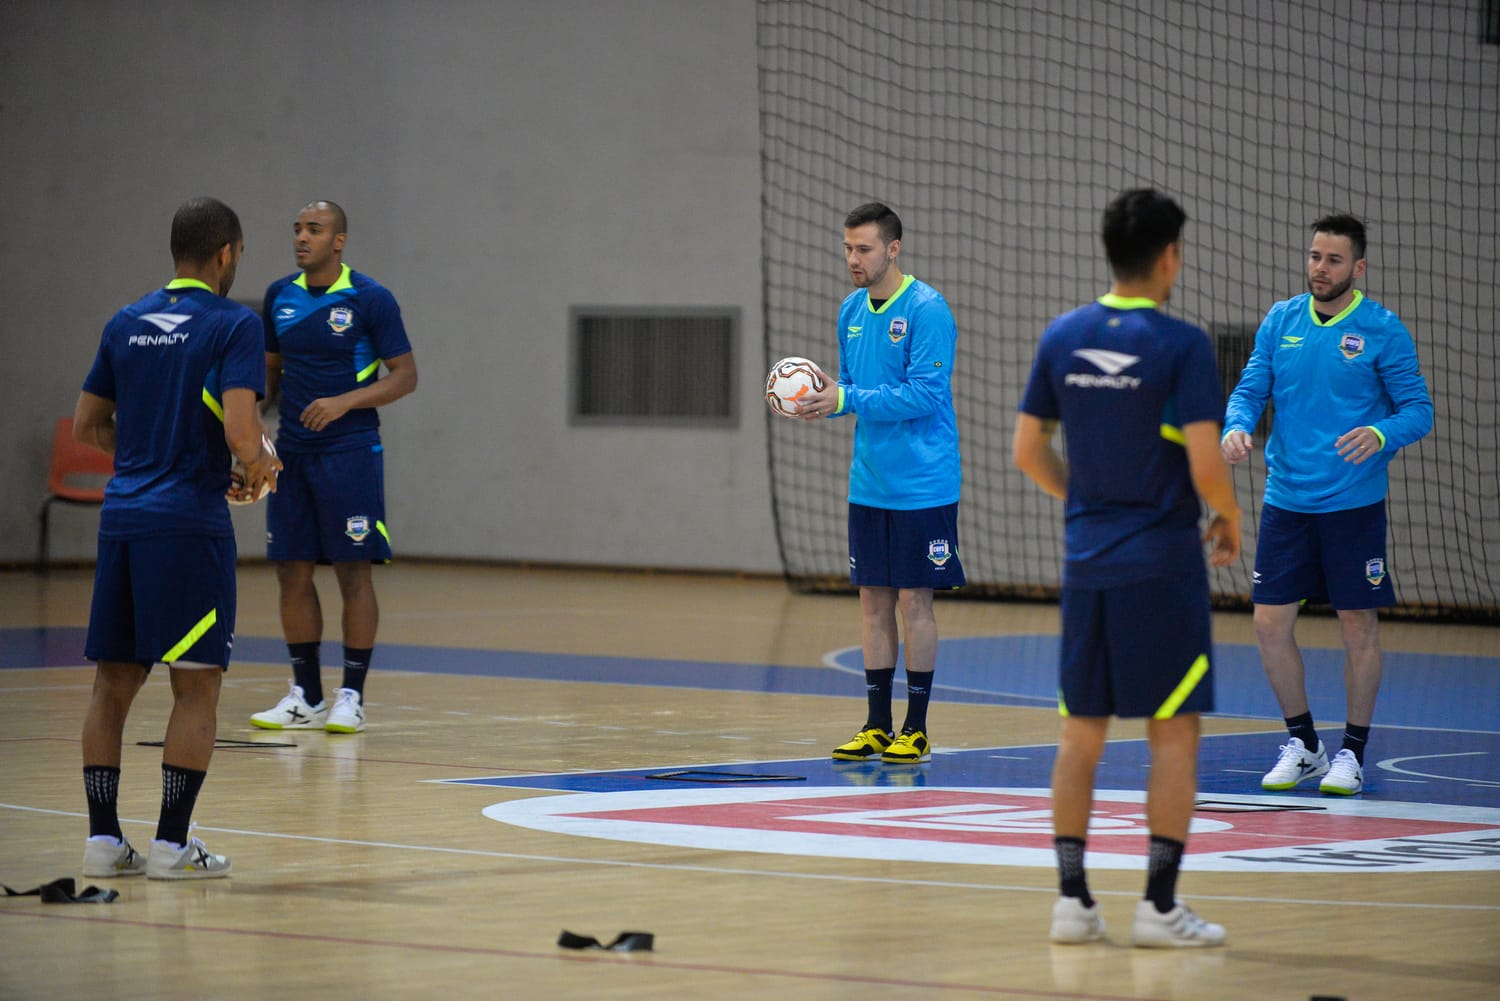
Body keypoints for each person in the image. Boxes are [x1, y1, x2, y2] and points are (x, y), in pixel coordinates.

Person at [1013, 189, 1240, 947]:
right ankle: (1160, 905)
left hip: (1086, 564)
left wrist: (1084, 499)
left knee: (1081, 735)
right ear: (1170, 255)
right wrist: (1229, 516)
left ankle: (1072, 902)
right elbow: (1208, 463)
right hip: (1161, 567)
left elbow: (1027, 450)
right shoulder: (1181, 346)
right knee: (1174, 734)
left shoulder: (1062, 335)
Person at [76, 196, 279, 880]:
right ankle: (170, 844)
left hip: (123, 518)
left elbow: (88, 425)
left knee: (112, 684)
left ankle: (103, 840)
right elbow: (242, 431)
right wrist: (256, 469)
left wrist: (146, 456)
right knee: (196, 687)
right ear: (227, 254)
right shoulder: (232, 324)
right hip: (188, 526)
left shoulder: (124, 321)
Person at [1222, 213, 1433, 797]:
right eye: (1315, 256)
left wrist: (1383, 433)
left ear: (1357, 267)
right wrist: (1236, 427)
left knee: (1357, 626)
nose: (1320, 267)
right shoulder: (1281, 319)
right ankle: (1305, 744)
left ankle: (1353, 754)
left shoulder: (1382, 329)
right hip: (1287, 499)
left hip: (1352, 504)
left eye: (1334, 259)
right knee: (1268, 625)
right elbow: (1249, 389)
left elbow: (1418, 409)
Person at [794, 202, 964, 765]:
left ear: (893, 249)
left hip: (923, 485)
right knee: (873, 604)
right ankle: (875, 724)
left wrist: (847, 397)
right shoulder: (850, 310)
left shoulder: (927, 309)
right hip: (869, 483)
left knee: (915, 601)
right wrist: (826, 397)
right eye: (847, 248)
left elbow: (924, 395)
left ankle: (914, 728)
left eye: (863, 248)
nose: (852, 259)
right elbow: (856, 390)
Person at [249, 200, 417, 734]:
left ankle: (352, 694)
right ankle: (306, 694)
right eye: (297, 228)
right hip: (292, 455)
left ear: (338, 241)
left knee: (352, 570)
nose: (302, 237)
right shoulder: (279, 296)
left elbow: (405, 376)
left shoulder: (370, 298)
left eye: (314, 229)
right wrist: (251, 437)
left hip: (350, 453)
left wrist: (346, 401)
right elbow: (268, 380)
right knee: (291, 570)